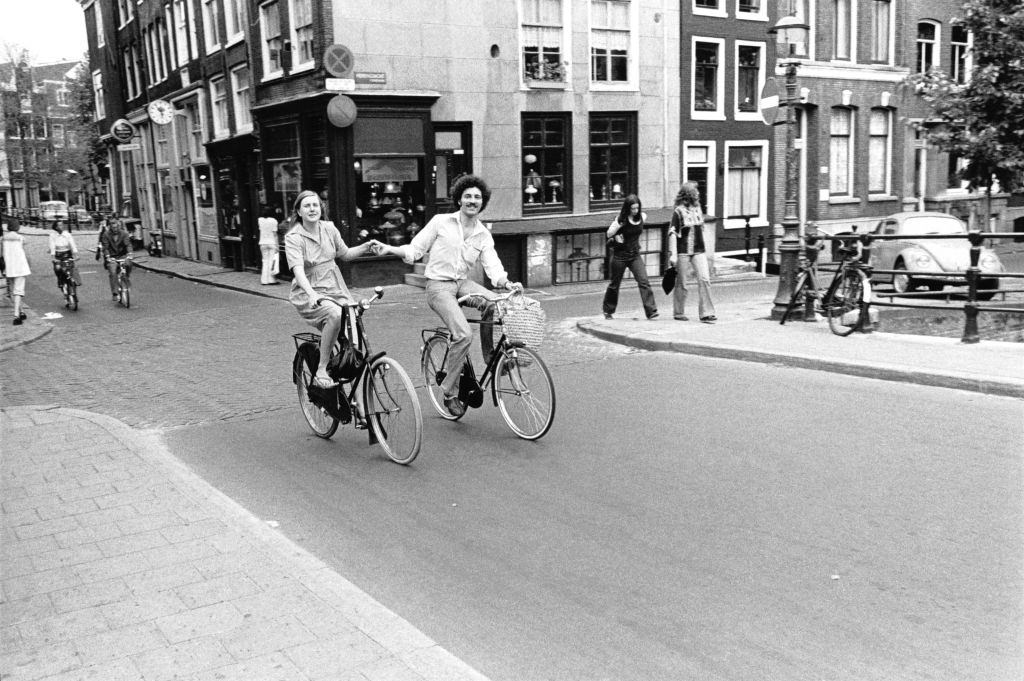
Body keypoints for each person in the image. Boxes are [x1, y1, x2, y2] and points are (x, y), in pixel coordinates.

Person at [374, 174, 522, 418]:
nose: (472, 201)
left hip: (462, 283)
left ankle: (489, 357)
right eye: (468, 196)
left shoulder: (483, 235)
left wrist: (506, 283)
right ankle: (450, 392)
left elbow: (492, 266)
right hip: (438, 286)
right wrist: (390, 248)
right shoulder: (441, 222)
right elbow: (416, 249)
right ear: (459, 200)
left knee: (494, 305)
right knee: (463, 334)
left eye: (477, 197)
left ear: (482, 202)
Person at [284, 189, 377, 388]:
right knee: (335, 315)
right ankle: (321, 368)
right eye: (306, 206)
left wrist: (366, 246)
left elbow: (345, 254)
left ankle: (352, 384)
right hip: (310, 289)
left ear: (321, 208)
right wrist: (311, 294)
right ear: (299, 212)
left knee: (353, 322)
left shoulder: (329, 228)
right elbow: (298, 271)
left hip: (335, 287)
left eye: (315, 205)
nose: (312, 209)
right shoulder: (294, 237)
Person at [602, 194, 658, 320]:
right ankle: (608, 310)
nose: (635, 211)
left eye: (637, 208)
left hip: (634, 255)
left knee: (644, 281)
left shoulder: (642, 217)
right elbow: (609, 233)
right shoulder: (621, 220)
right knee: (614, 284)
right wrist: (617, 232)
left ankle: (651, 311)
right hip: (620, 256)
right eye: (632, 208)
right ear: (627, 208)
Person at [668, 181, 717, 323]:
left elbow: (700, 228)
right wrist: (674, 254)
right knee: (682, 282)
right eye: (696, 191)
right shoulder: (678, 212)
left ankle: (707, 312)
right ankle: (678, 312)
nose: (699, 193)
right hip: (683, 250)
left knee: (704, 278)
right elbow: (672, 232)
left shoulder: (698, 208)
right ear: (689, 194)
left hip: (698, 250)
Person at [2, 220, 31, 325]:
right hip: (20, 267)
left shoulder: (2, 239)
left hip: (9, 268)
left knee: (15, 290)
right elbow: (24, 251)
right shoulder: (21, 238)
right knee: (18, 291)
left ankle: (22, 311)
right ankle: (16, 316)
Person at [100, 215, 134, 301]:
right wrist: (107, 256)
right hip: (112, 257)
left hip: (122, 255)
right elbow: (105, 247)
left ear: (118, 224)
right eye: (112, 224)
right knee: (113, 271)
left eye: (115, 223)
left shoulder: (124, 233)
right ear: (109, 225)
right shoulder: (106, 235)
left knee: (129, 264)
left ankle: (126, 277)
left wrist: (130, 254)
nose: (114, 225)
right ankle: (115, 293)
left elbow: (128, 244)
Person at [48, 220, 82, 289]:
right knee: (57, 268)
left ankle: (75, 284)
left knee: (72, 268)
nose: (62, 226)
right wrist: (53, 257)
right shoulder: (52, 236)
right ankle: (60, 280)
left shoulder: (67, 234)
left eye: (62, 225)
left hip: (67, 254)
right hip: (58, 255)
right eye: (59, 225)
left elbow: (73, 245)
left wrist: (76, 254)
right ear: (56, 227)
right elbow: (52, 247)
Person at [257, 206, 280, 285]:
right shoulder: (274, 221)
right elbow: (275, 234)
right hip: (272, 242)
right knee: (271, 261)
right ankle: (271, 279)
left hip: (262, 242)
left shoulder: (260, 220)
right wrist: (277, 245)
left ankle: (264, 280)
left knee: (265, 261)